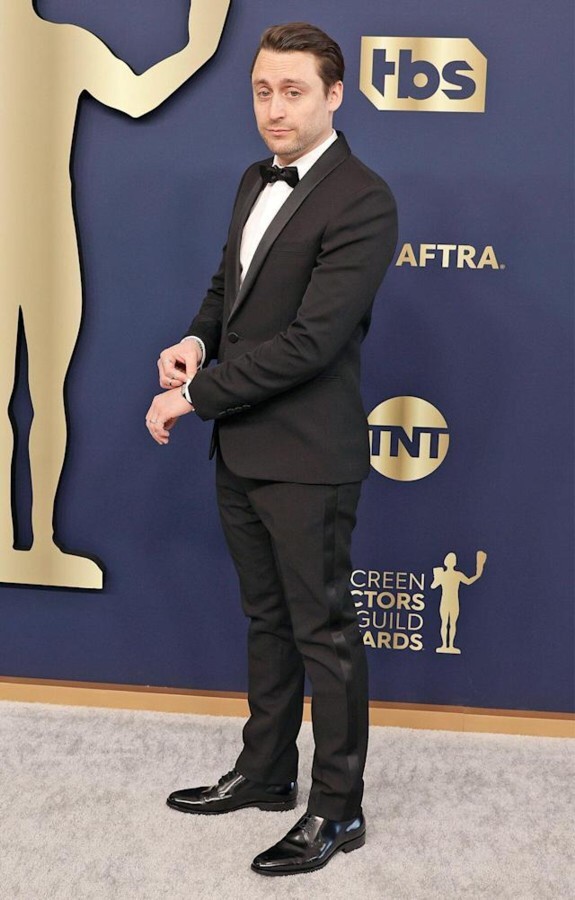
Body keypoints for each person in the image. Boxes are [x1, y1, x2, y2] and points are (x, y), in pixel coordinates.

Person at [145, 22, 398, 876]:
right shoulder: (254, 178)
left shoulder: (362, 199)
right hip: (243, 447)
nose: (274, 108)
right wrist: (196, 342)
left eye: (293, 91)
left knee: (323, 632)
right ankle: (264, 773)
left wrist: (192, 397)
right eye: (262, 91)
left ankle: (338, 809)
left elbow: (312, 342)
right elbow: (232, 286)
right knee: (265, 621)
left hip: (309, 456)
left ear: (334, 95)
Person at [0, 0, 230, 589]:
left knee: (47, 396)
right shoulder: (65, 43)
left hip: (51, 247)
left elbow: (135, 95)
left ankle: (40, 544)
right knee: (33, 398)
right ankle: (17, 542)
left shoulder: (68, 44)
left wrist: (198, 49)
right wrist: (197, 49)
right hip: (36, 246)